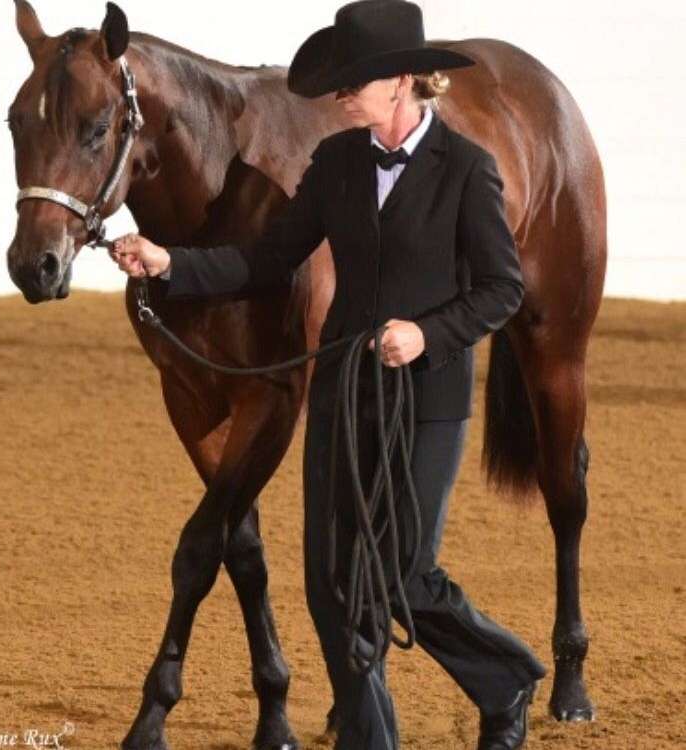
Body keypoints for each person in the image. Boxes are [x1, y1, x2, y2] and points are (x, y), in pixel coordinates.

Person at [110, 1, 547, 748]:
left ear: (402, 81)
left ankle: (504, 679)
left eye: (354, 82)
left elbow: (502, 291)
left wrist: (426, 332)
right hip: (345, 388)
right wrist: (170, 262)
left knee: (407, 576)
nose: (340, 96)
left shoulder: (469, 170)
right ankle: (370, 739)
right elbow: (268, 258)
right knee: (329, 582)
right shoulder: (338, 163)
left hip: (429, 397)